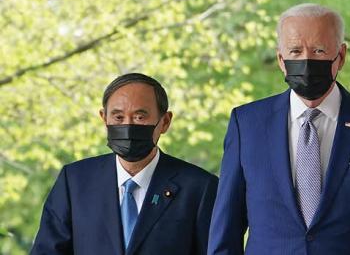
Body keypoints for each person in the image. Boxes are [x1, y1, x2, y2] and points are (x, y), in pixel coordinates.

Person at [208, 3, 350, 255]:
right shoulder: (247, 124)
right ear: (281, 59)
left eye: (319, 50)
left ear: (340, 56)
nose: (306, 60)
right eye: (295, 51)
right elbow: (226, 228)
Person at [31, 73, 218, 255]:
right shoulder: (74, 182)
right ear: (104, 118)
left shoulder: (200, 187)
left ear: (165, 122)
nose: (128, 126)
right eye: (118, 117)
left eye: (139, 117)